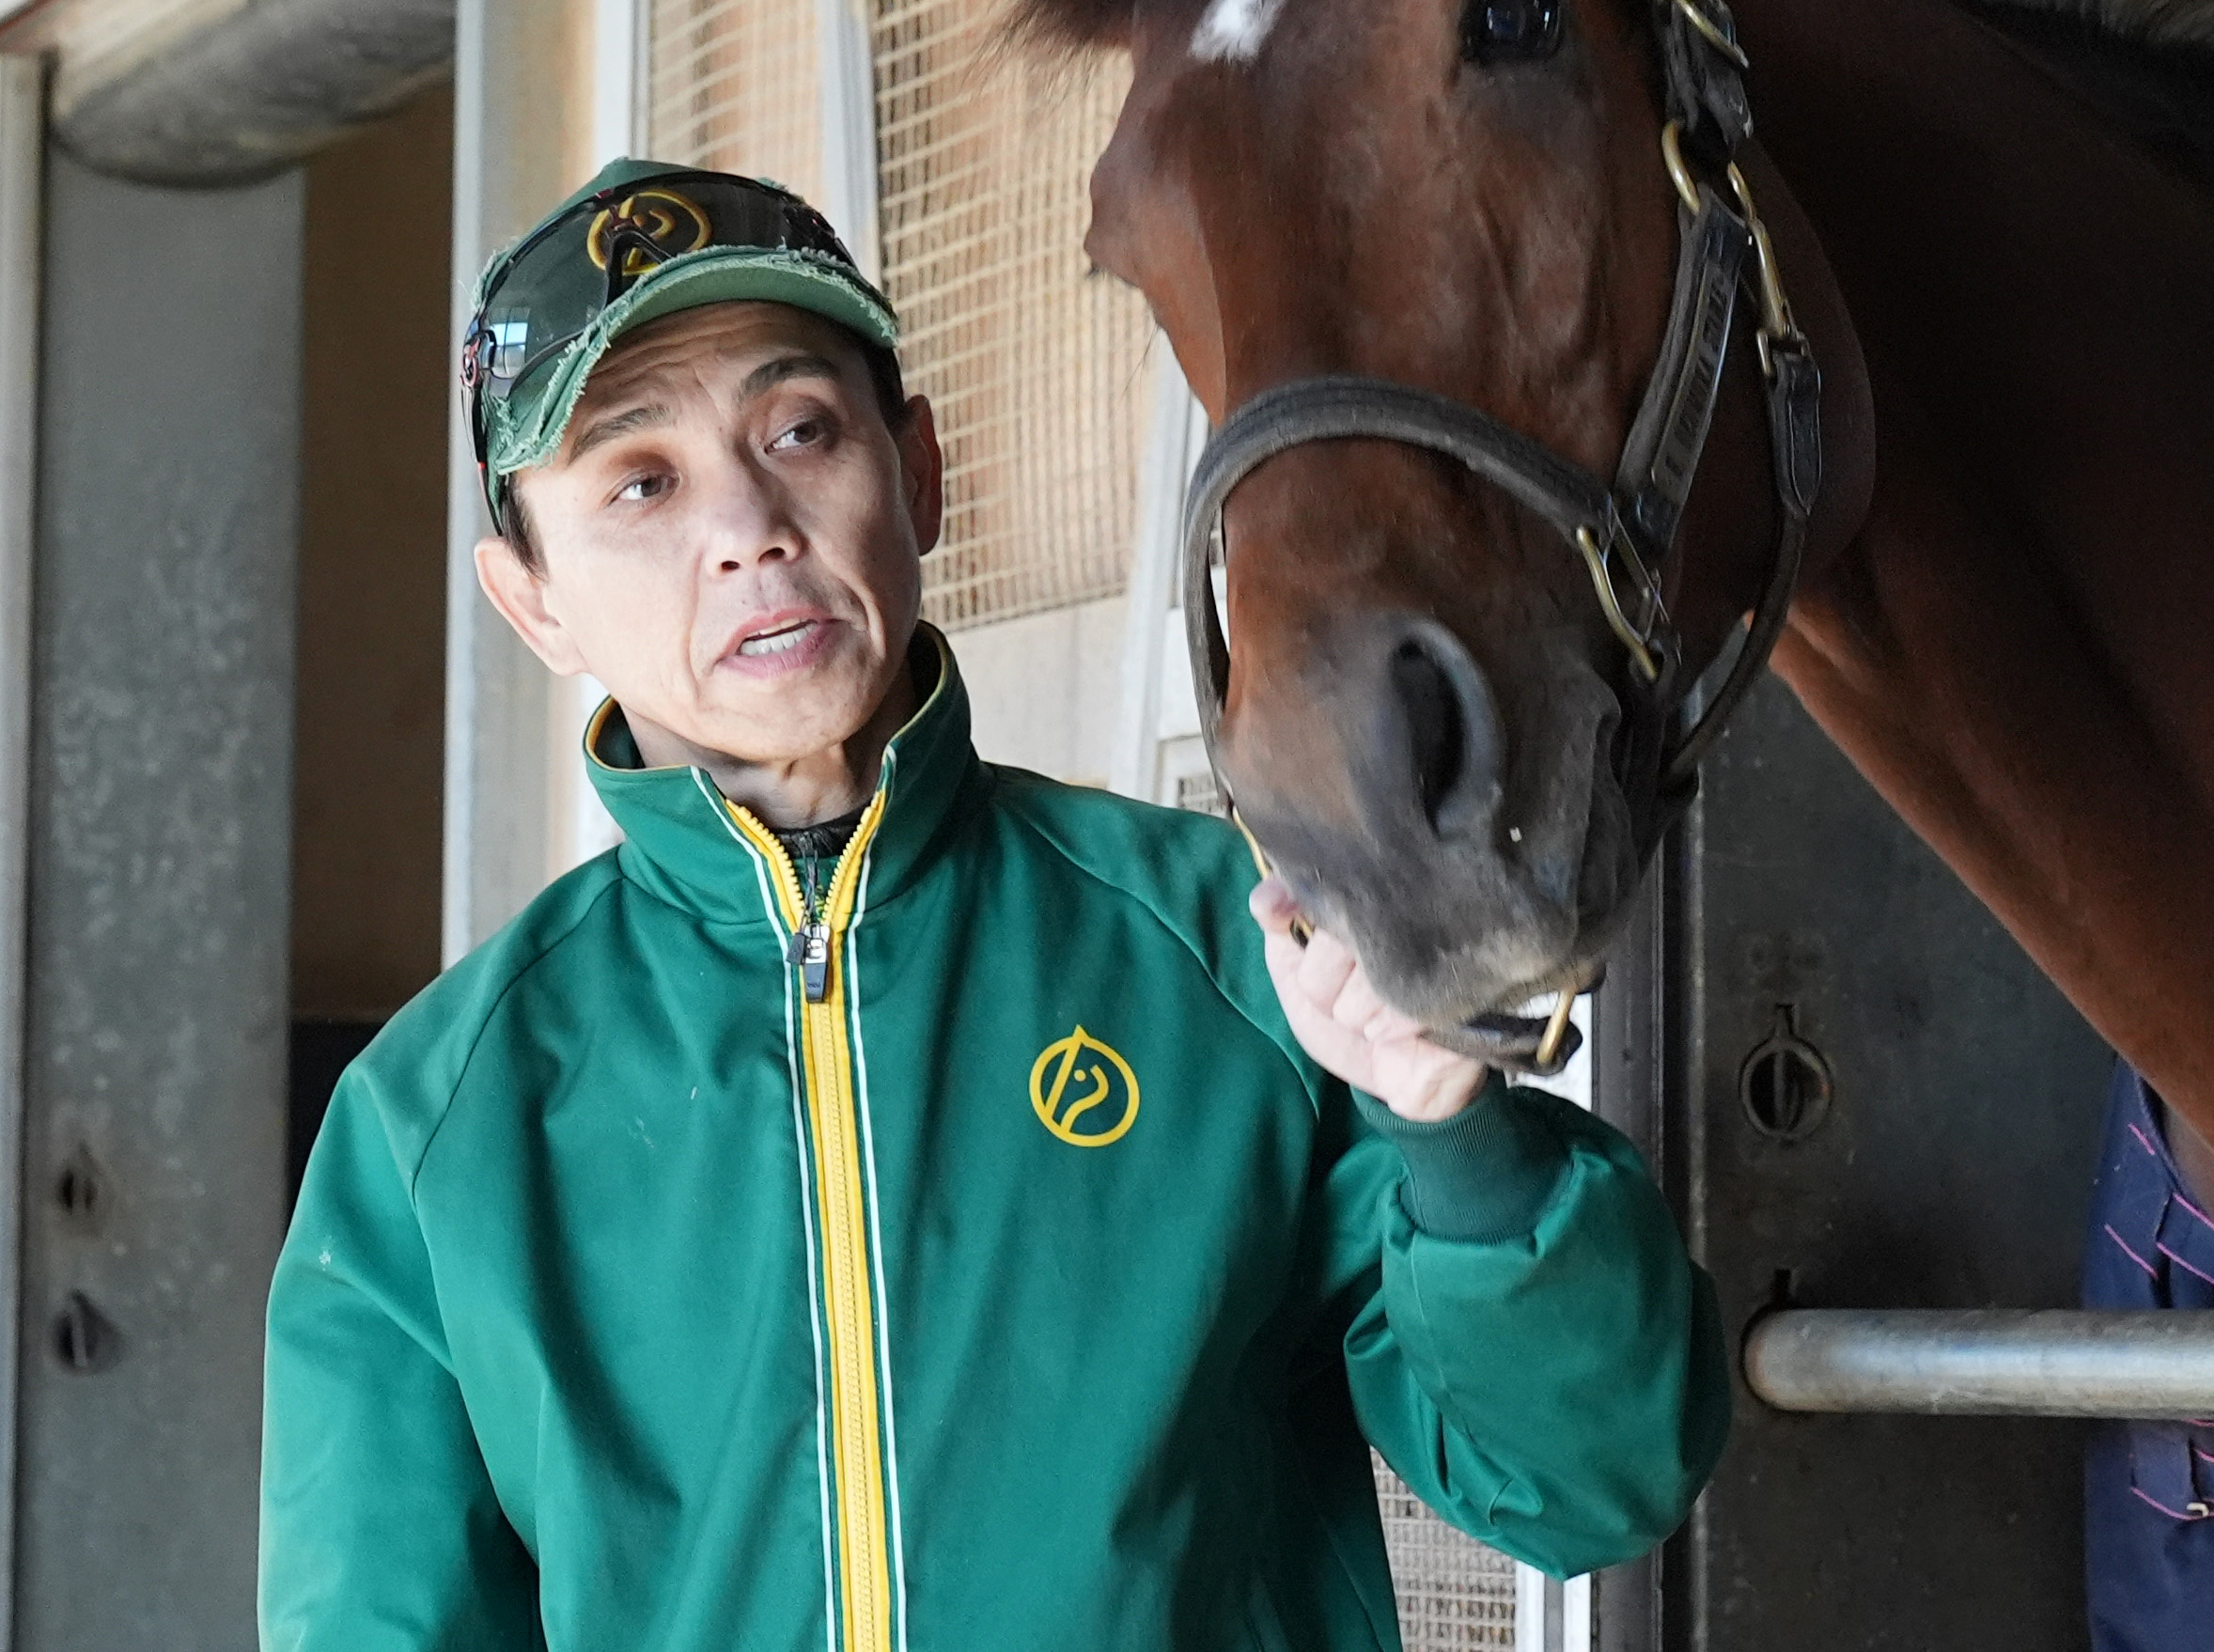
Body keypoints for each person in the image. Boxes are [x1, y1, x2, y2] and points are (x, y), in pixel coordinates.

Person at [258, 160, 1726, 1650]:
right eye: (641, 480)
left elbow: (1596, 1478)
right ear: (533, 600)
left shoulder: (1242, 949)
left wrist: (1451, 1133)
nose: (750, 524)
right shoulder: (432, 1129)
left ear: (920, 472)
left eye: (800, 428)